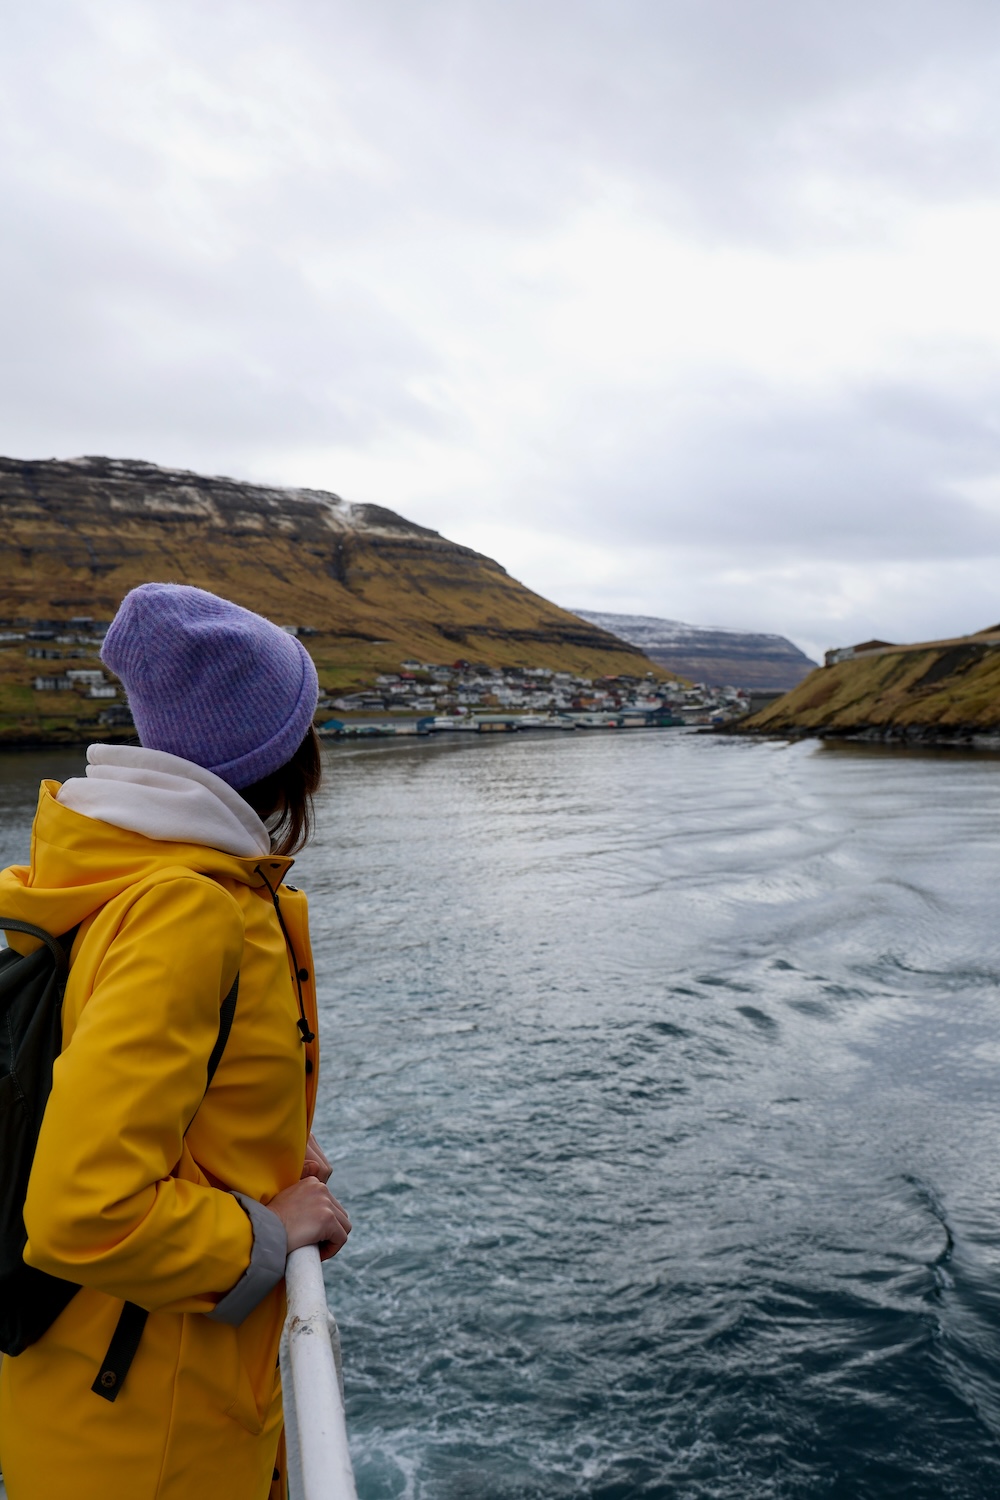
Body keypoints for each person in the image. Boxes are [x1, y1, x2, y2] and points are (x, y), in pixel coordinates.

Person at [0, 583, 350, 1500]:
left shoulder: (122, 872)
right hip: (154, 1438)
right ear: (281, 751)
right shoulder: (189, 911)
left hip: (101, 1403)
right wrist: (269, 1233)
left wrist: (257, 1148)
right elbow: (83, 1207)